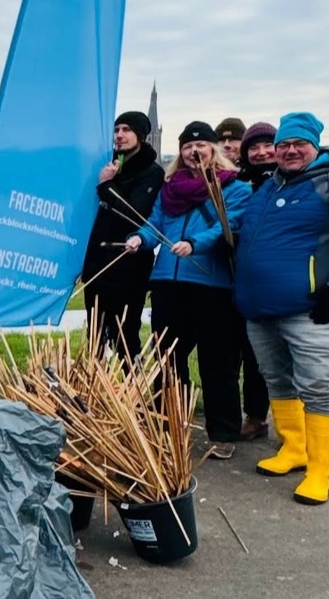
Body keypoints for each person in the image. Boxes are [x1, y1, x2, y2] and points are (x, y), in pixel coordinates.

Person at [234, 112, 329, 505]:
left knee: (319, 387)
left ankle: (319, 471)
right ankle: (294, 448)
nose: (290, 151)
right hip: (262, 311)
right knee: (278, 381)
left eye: (299, 144)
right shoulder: (268, 187)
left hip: (316, 311)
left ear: (315, 146)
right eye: (284, 145)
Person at [125, 121, 251, 459]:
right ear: (180, 152)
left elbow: (228, 226)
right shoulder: (170, 189)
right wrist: (139, 239)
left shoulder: (235, 187)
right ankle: (167, 424)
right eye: (187, 147)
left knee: (217, 362)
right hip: (168, 282)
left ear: (213, 149)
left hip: (212, 285)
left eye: (201, 146)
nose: (194, 151)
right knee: (167, 360)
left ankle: (223, 432)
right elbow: (154, 225)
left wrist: (195, 243)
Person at [82, 111, 165, 360]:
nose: (119, 135)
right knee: (95, 335)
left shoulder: (152, 172)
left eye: (126, 130)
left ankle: (131, 382)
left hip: (129, 265)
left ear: (141, 135)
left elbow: (133, 214)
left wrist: (106, 186)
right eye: (116, 130)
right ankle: (93, 382)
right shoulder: (107, 165)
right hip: (97, 262)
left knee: (125, 336)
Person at [234, 121, 279, 440]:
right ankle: (254, 415)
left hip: (277, 281)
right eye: (254, 147)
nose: (261, 152)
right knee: (247, 350)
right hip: (241, 277)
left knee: (269, 357)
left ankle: (263, 417)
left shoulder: (291, 180)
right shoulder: (239, 182)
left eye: (268, 145)